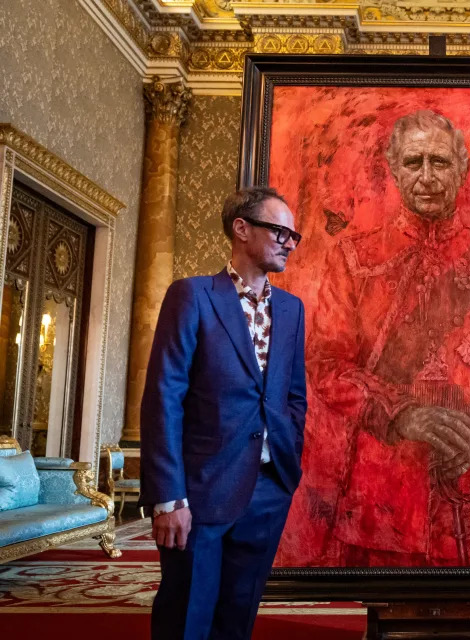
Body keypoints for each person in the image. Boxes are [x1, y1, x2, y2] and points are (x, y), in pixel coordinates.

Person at [310, 110, 470, 566]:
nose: (427, 177)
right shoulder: (352, 258)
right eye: (413, 162)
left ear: (462, 169)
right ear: (393, 168)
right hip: (386, 483)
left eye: (440, 162)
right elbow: (327, 363)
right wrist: (401, 415)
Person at [139, 186, 307, 639]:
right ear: (241, 228)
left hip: (269, 489)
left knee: (238, 617)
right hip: (199, 494)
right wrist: (168, 496)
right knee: (186, 617)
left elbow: (293, 395)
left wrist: (289, 459)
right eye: (280, 232)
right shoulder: (191, 296)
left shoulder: (291, 311)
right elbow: (164, 398)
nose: (289, 243)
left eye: (295, 236)